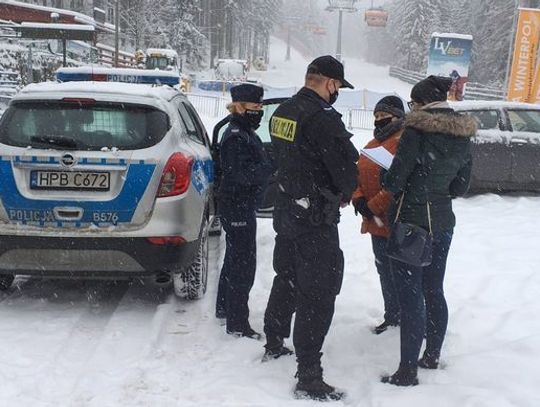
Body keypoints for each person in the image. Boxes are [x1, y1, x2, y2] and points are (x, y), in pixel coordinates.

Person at [262, 56, 359, 401]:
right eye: (338, 87)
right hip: (315, 218)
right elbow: (347, 169)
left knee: (286, 275)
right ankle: (309, 373)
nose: (337, 94)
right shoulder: (323, 119)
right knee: (318, 293)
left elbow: (285, 157)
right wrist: (346, 191)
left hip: (287, 210)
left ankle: (274, 339)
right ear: (330, 83)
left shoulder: (283, 111)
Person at [380, 75, 476, 386]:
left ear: (421, 104)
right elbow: (460, 187)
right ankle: (431, 355)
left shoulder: (416, 133)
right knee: (434, 290)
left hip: (411, 223)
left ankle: (407, 371)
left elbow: (394, 182)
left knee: (410, 298)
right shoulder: (462, 134)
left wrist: (388, 175)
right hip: (443, 224)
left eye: (412, 103)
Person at [215, 83, 273, 340]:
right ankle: (237, 322)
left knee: (234, 257)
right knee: (242, 264)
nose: (259, 112)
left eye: (261, 107)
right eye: (254, 107)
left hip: (239, 205)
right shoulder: (237, 136)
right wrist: (270, 169)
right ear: (240, 106)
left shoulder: (243, 130)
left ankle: (225, 307)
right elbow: (241, 175)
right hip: (237, 206)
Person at [351, 96, 405, 335]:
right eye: (377, 117)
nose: (380, 121)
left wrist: (372, 205)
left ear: (399, 117)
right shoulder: (373, 144)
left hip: (397, 221)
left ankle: (409, 318)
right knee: (385, 272)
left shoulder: (404, 142)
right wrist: (358, 197)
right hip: (376, 223)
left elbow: (398, 184)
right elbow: (356, 173)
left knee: (403, 275)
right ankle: (392, 315)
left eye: (386, 116)